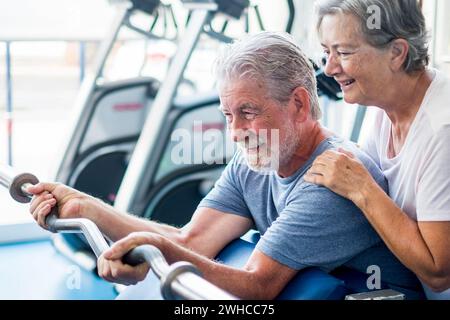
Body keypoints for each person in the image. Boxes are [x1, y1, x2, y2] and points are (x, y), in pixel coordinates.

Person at [28, 32, 422, 299]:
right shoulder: (254, 160)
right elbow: (191, 243)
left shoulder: (332, 179)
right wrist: (87, 208)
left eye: (248, 112)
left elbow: (255, 285)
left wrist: (155, 249)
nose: (236, 132)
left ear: (299, 104)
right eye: (228, 115)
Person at [304, 0, 450, 299]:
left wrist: (362, 188)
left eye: (343, 53)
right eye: (326, 52)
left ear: (396, 53)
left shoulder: (442, 129)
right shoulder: (384, 105)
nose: (330, 68)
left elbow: (439, 273)